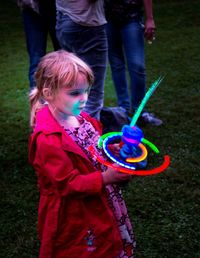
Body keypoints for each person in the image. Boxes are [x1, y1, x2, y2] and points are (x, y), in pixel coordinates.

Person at [28, 50, 136, 257]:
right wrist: (106, 178)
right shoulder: (48, 139)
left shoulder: (82, 118)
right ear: (49, 93)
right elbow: (67, 184)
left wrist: (112, 151)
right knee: (87, 249)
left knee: (109, 239)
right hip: (76, 211)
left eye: (86, 90)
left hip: (101, 197)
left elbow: (93, 148)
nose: (84, 98)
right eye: (75, 93)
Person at [104, 0, 163, 126]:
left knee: (137, 66)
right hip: (107, 18)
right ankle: (123, 109)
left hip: (132, 17)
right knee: (116, 65)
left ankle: (140, 112)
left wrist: (149, 18)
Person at [55, 0, 107, 120]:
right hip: (85, 22)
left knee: (72, 87)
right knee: (92, 92)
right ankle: (87, 136)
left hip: (64, 19)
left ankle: (70, 132)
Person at [17, 0, 60, 89]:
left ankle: (66, 96)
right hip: (31, 9)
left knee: (64, 56)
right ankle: (37, 99)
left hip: (57, 8)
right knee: (36, 58)